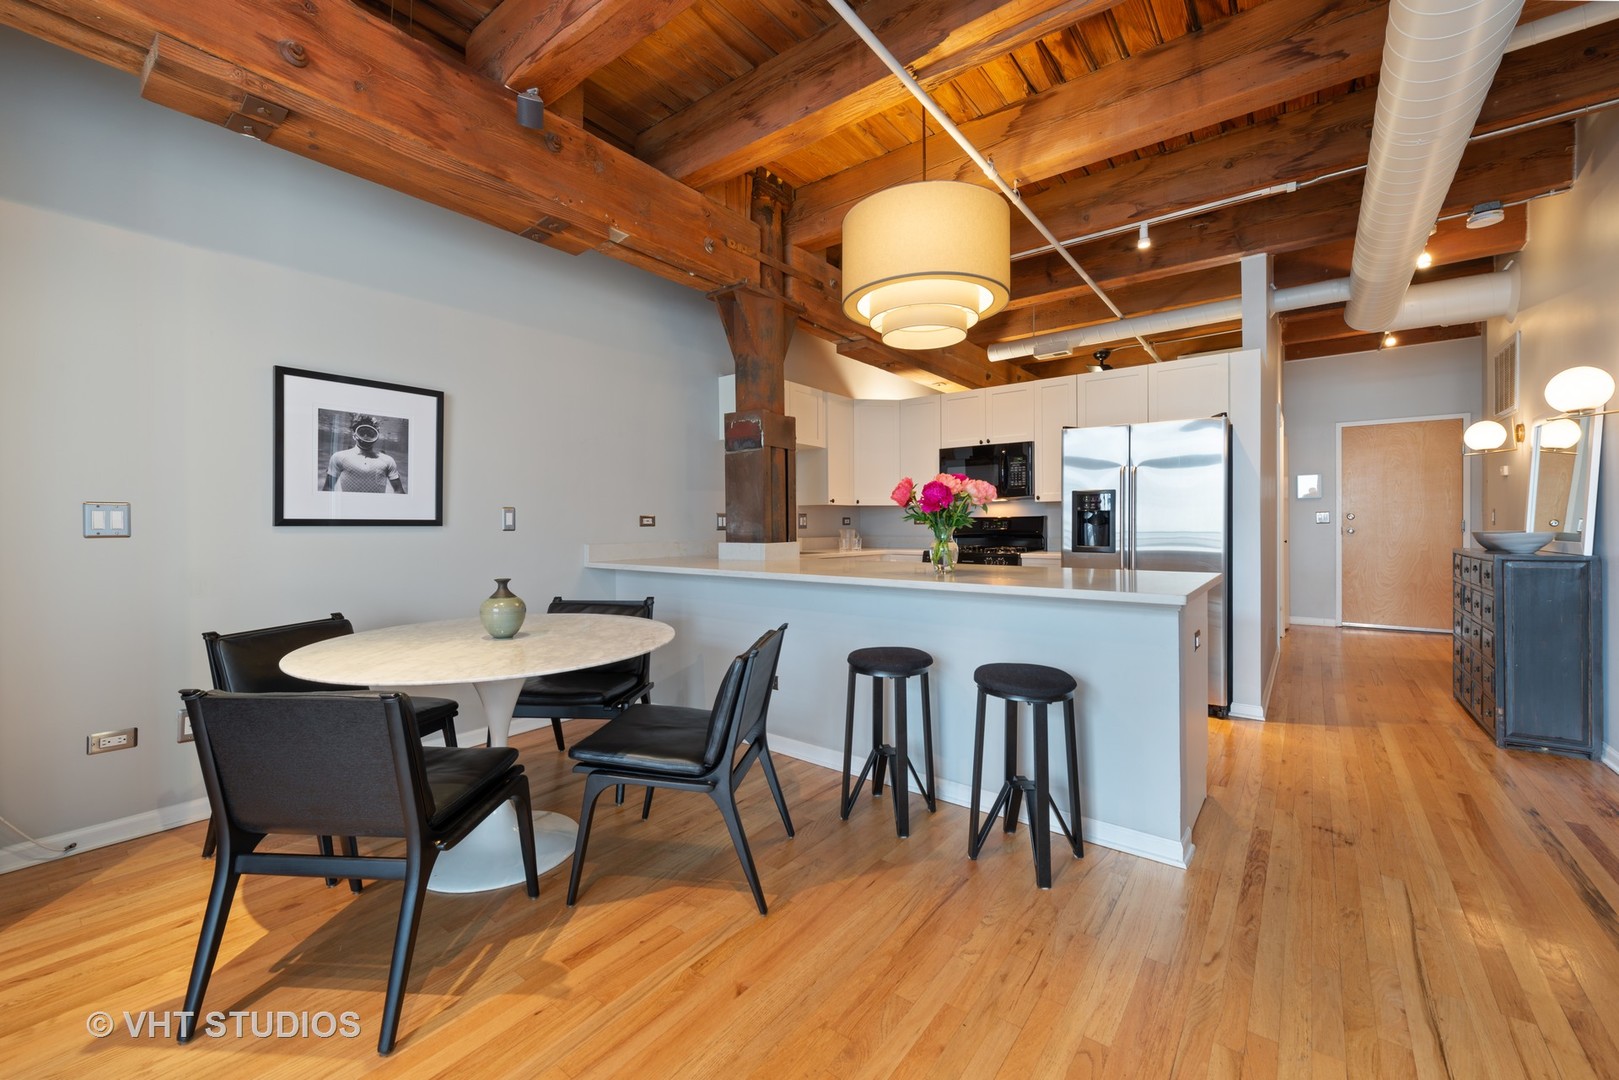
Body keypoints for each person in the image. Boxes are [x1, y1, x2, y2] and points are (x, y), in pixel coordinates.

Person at [322, 414, 405, 493]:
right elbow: (328, 488)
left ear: (376, 436)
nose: (366, 436)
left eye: (370, 433)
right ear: (354, 435)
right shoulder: (338, 457)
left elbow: (399, 491)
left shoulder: (388, 460)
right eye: (362, 432)